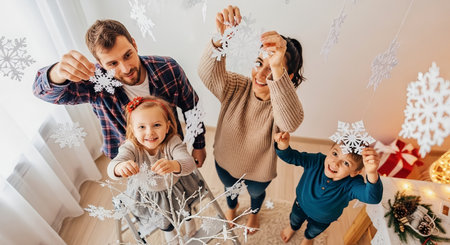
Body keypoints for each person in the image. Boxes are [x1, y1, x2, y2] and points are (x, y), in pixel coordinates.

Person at [32, 19, 206, 166]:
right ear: (99, 63)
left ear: (134, 44)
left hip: (171, 148)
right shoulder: (96, 83)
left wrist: (199, 145)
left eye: (128, 55)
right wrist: (57, 72)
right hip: (130, 161)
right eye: (112, 64)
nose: (125, 68)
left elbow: (191, 106)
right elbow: (43, 92)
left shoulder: (167, 68)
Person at [197, 5, 305, 232]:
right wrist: (221, 39)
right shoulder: (236, 86)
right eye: (259, 63)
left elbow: (291, 122)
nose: (262, 74)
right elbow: (206, 74)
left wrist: (277, 67)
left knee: (256, 195)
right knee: (230, 191)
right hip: (225, 162)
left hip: (259, 171)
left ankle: (254, 214)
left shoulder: (281, 105)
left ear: (288, 77)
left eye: (272, 68)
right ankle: (232, 209)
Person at [107, 96, 200, 244]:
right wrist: (120, 167)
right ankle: (173, 239)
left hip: (176, 188)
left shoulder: (172, 142)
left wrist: (174, 165)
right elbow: (113, 165)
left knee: (186, 210)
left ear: (167, 126)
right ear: (132, 129)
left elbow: (189, 163)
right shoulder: (131, 147)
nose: (150, 132)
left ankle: (190, 227)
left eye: (156, 125)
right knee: (166, 224)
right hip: (149, 194)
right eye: (142, 127)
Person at [274, 132, 383, 244]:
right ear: (330, 150)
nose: (335, 163)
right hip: (300, 204)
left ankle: (308, 238)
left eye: (346, 163)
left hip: (323, 219)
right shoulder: (316, 161)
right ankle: (292, 228)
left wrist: (371, 172)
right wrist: (283, 144)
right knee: (294, 219)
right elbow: (292, 157)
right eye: (335, 154)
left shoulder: (352, 184)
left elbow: (373, 198)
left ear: (355, 172)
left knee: (313, 231)